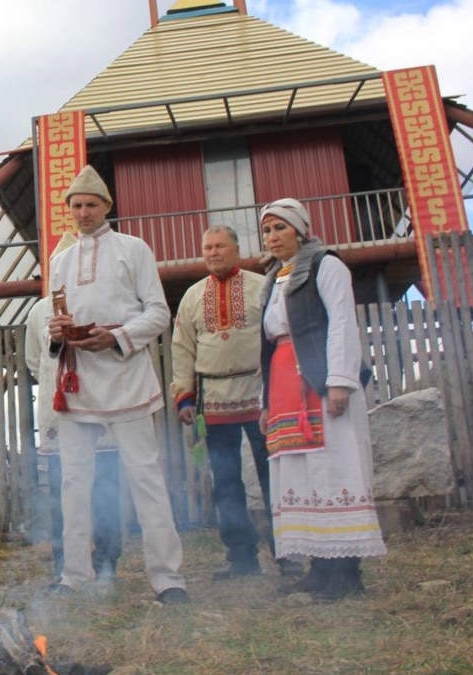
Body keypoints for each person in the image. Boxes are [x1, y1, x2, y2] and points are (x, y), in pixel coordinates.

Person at [46, 165, 188, 604]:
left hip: (125, 373)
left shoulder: (134, 248)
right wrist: (57, 335)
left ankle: (168, 579)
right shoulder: (59, 259)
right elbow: (55, 316)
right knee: (74, 479)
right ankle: (75, 574)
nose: (83, 212)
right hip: (78, 378)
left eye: (91, 204)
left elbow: (159, 313)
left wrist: (117, 337)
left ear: (107, 206)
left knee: (145, 476)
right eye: (76, 206)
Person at [257, 198, 386, 602]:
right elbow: (266, 342)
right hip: (283, 387)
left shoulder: (326, 265)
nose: (273, 236)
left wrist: (339, 381)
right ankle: (320, 566)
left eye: (280, 227)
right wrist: (264, 401)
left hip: (319, 381)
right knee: (301, 475)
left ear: (300, 229)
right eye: (267, 230)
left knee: (333, 469)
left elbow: (343, 321)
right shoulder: (274, 278)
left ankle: (345, 574)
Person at [171, 226, 303, 581]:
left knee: (273, 476)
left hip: (260, 397)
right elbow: (182, 348)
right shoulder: (193, 296)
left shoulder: (262, 286)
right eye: (207, 247)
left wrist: (278, 389)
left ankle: (287, 551)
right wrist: (184, 395)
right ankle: (241, 556)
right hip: (212, 402)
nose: (213, 252)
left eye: (220, 246)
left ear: (236, 249)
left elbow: (276, 336)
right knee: (226, 481)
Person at [24, 233, 122, 584]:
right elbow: (35, 361)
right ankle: (65, 563)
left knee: (106, 485)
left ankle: (108, 560)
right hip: (60, 409)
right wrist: (59, 381)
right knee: (62, 489)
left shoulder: (104, 303)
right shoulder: (38, 311)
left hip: (99, 405)